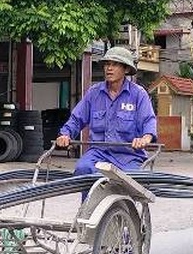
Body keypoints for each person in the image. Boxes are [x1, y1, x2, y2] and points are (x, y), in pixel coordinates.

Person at [55, 46, 157, 176]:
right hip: (98, 153)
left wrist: (145, 138)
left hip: (129, 155)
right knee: (83, 169)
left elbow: (148, 120)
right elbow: (76, 119)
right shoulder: (94, 93)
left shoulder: (138, 94)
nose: (109, 68)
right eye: (107, 64)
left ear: (126, 69)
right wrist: (65, 135)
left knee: (132, 180)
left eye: (115, 64)